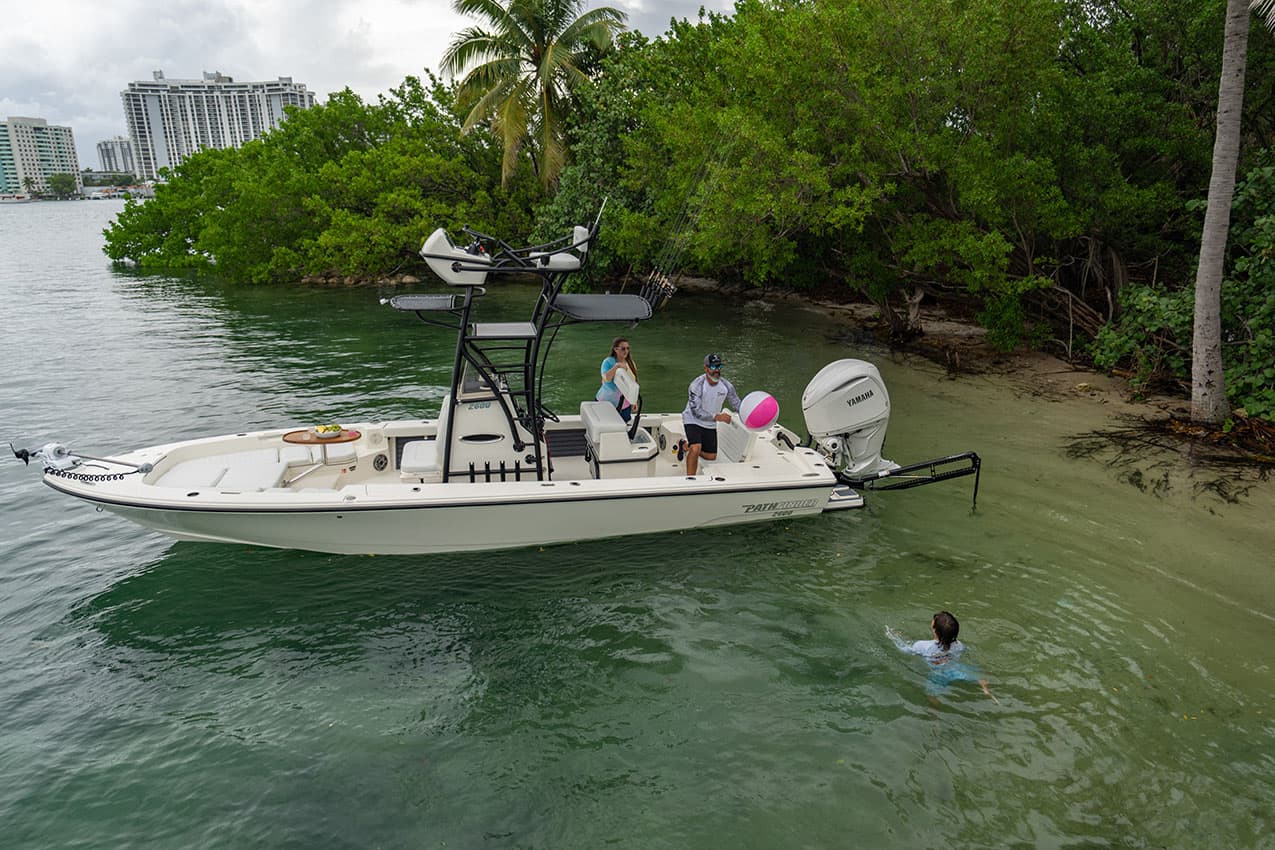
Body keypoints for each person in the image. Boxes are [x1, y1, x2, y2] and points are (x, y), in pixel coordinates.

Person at [886, 611, 996, 702]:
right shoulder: (959, 645)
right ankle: (984, 687)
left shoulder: (922, 646)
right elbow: (964, 652)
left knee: (932, 696)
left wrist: (893, 637)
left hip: (938, 674)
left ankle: (934, 715)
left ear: (934, 629)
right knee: (974, 675)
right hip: (955, 668)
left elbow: (905, 650)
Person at [679, 353, 742, 476]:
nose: (716, 370)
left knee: (711, 456)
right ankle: (690, 480)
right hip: (692, 419)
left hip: (710, 424)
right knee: (696, 448)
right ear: (706, 368)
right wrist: (718, 417)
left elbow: (737, 403)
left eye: (719, 367)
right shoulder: (696, 385)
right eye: (713, 367)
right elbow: (696, 411)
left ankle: (685, 445)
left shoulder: (726, 386)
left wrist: (749, 414)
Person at [596, 337, 637, 422]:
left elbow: (633, 382)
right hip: (605, 402)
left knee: (623, 427)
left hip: (624, 405)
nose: (626, 351)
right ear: (615, 349)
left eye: (627, 348)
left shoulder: (631, 363)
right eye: (623, 348)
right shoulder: (608, 362)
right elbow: (606, 378)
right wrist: (616, 366)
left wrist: (634, 401)